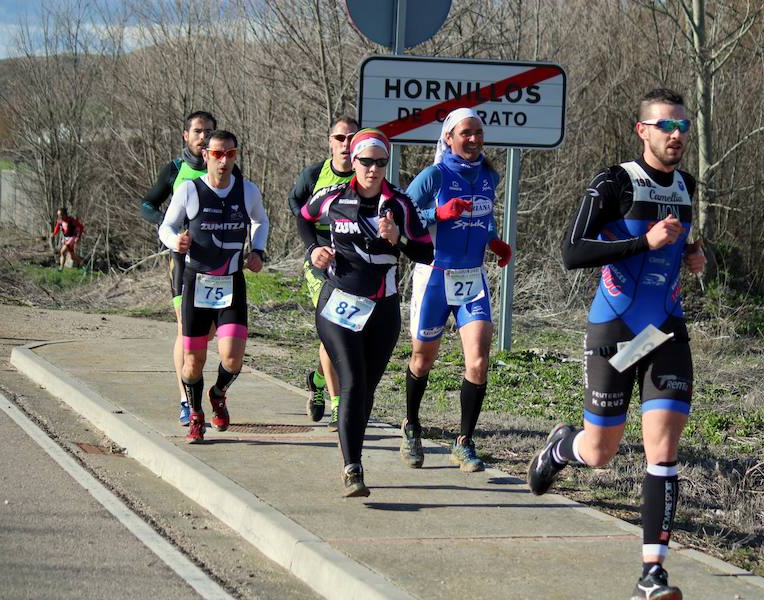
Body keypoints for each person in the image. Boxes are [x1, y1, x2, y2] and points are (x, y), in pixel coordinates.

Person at [526, 88, 705, 600]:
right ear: (641, 130)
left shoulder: (688, 185)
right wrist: (642, 243)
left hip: (665, 330)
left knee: (663, 450)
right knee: (601, 451)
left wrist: (695, 254)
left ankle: (653, 573)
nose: (676, 136)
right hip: (616, 330)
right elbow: (572, 252)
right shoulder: (615, 181)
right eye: (665, 126)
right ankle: (563, 447)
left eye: (683, 127)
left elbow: (683, 238)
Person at [297, 128, 433, 497]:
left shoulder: (400, 205)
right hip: (338, 303)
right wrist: (314, 249)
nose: (373, 169)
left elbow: (426, 253)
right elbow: (304, 217)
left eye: (380, 162)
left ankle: (351, 452)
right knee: (353, 381)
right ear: (353, 162)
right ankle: (352, 468)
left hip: (383, 308)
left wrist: (397, 240)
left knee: (366, 390)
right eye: (366, 161)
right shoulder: (333, 197)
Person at [400, 108, 512, 472]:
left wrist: (495, 242)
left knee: (478, 362)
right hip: (435, 275)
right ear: (449, 138)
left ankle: (464, 442)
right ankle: (412, 425)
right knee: (422, 359)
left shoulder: (489, 176)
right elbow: (401, 213)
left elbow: (485, 217)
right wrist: (439, 215)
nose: (474, 139)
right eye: (466, 133)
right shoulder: (434, 175)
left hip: (472, 278)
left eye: (478, 132)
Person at [158, 130, 269, 444]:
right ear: (205, 155)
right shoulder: (190, 190)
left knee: (233, 358)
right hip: (197, 281)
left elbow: (261, 220)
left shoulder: (246, 191)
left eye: (230, 154)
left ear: (235, 156)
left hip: (232, 280)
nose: (223, 161)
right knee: (193, 361)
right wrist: (174, 241)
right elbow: (167, 225)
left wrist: (258, 250)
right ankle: (195, 414)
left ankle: (218, 393)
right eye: (217, 154)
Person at [139, 111, 219, 427]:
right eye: (198, 131)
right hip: (183, 260)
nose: (203, 137)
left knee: (208, 332)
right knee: (185, 330)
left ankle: (196, 385)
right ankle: (186, 399)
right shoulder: (175, 169)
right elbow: (147, 205)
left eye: (209, 131)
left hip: (216, 262)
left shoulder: (225, 165)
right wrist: (170, 228)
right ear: (186, 136)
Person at [288, 115, 359, 431]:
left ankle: (317, 379)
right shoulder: (315, 174)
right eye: (339, 138)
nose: (345, 144)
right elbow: (297, 207)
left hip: (354, 260)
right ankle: (337, 404)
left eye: (351, 138)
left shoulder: (366, 173)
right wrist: (312, 247)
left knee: (348, 332)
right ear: (330, 141)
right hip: (319, 259)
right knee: (333, 323)